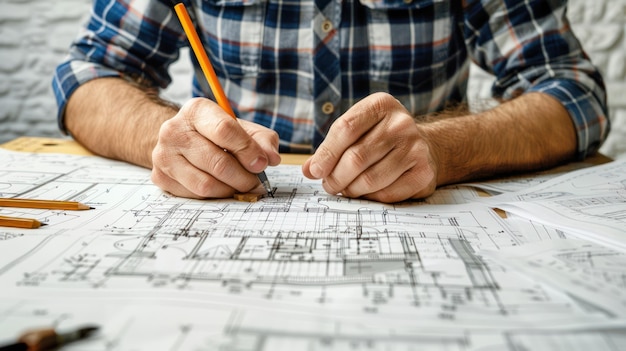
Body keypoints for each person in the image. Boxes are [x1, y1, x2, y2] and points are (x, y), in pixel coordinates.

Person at [52, 0, 609, 203]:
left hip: (421, 203)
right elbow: (89, 74)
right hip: (233, 197)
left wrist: (442, 149)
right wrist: (171, 141)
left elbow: (572, 90)